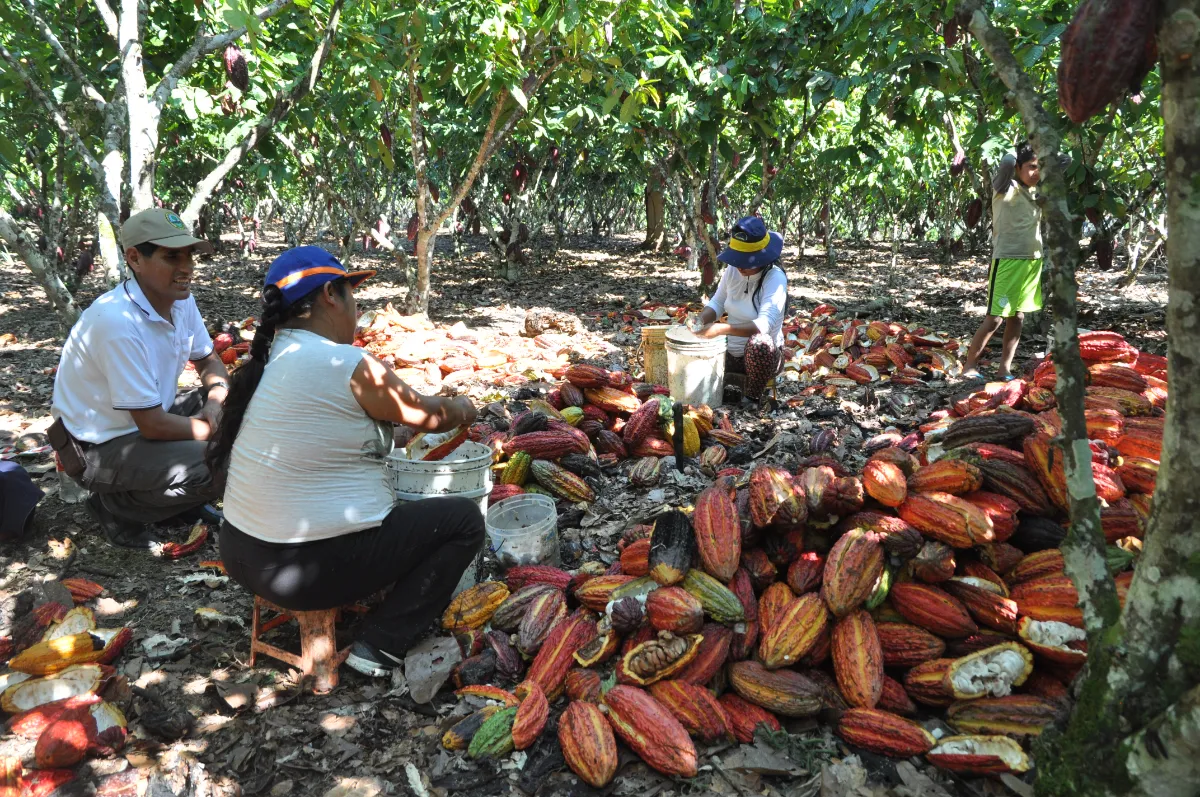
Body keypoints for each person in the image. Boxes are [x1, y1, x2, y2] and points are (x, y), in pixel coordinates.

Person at [209, 246, 485, 678]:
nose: (357, 309)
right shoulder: (346, 362)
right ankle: (381, 644)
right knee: (463, 521)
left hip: (241, 554)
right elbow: (432, 414)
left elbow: (324, 434)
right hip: (304, 571)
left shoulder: (267, 361)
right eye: (352, 294)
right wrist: (464, 407)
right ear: (329, 296)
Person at [48, 208, 228, 549]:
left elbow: (208, 360)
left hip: (147, 418)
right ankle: (116, 508)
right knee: (227, 461)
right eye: (172, 257)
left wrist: (217, 399)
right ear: (134, 258)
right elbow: (153, 426)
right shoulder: (117, 323)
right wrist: (220, 433)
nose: (187, 267)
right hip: (99, 447)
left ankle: (175, 500)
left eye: (189, 255)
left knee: (246, 402)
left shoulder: (180, 300)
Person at [963, 141, 1045, 381]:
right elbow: (1007, 161)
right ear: (1018, 167)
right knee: (995, 318)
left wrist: (1044, 152)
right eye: (1031, 167)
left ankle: (1004, 369)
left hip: (1032, 261)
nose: (1036, 172)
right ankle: (969, 366)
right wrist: (1014, 146)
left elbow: (1065, 161)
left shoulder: (1038, 192)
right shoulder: (1004, 188)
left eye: (1040, 167)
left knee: (1018, 317)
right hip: (1008, 260)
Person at [695, 216, 789, 406]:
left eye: (746, 261)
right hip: (729, 352)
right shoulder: (733, 270)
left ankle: (752, 397)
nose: (740, 266)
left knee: (760, 343)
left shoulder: (775, 278)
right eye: (738, 259)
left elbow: (763, 326)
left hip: (763, 358)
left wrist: (721, 329)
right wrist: (700, 320)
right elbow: (717, 302)